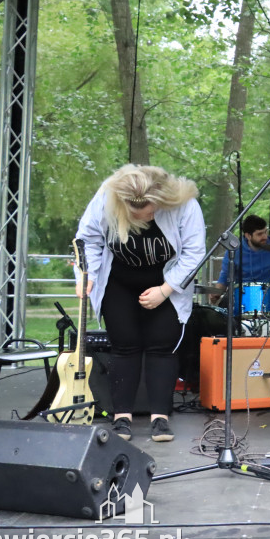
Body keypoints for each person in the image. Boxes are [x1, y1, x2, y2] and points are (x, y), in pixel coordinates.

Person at [75, 164, 205, 443]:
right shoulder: (106, 198)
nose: (141, 216)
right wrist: (85, 277)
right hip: (119, 280)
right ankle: (121, 417)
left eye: (145, 209)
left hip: (165, 279)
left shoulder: (185, 205)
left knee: (163, 344)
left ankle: (160, 418)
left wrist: (166, 290)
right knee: (124, 344)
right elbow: (88, 241)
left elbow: (195, 253)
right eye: (133, 211)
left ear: (160, 201)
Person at [210, 214, 270, 315]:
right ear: (248, 236)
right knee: (221, 311)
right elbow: (224, 278)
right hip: (240, 296)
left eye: (265, 232)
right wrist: (215, 294)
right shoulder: (234, 252)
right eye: (259, 234)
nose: (265, 237)